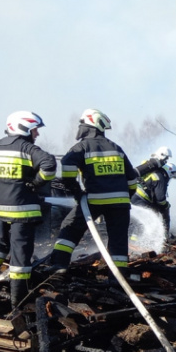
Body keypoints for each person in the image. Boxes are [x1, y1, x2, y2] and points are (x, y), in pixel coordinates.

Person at [0, 110, 58, 305]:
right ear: (24, 128)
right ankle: (18, 301)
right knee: (20, 255)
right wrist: (36, 183)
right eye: (35, 130)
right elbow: (50, 165)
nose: (37, 134)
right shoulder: (27, 149)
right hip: (22, 212)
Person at [49, 109, 138, 272]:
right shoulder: (116, 148)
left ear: (89, 125)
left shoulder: (82, 147)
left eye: (82, 124)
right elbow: (132, 179)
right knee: (118, 240)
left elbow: (67, 170)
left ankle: (59, 265)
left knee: (70, 227)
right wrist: (125, 197)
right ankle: (117, 276)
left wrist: (76, 192)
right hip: (121, 204)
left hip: (94, 201)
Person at [133, 149, 176, 235]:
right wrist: (166, 206)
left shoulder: (152, 173)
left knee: (141, 220)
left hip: (133, 196)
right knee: (146, 223)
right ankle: (136, 241)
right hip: (140, 199)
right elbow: (160, 200)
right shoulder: (160, 177)